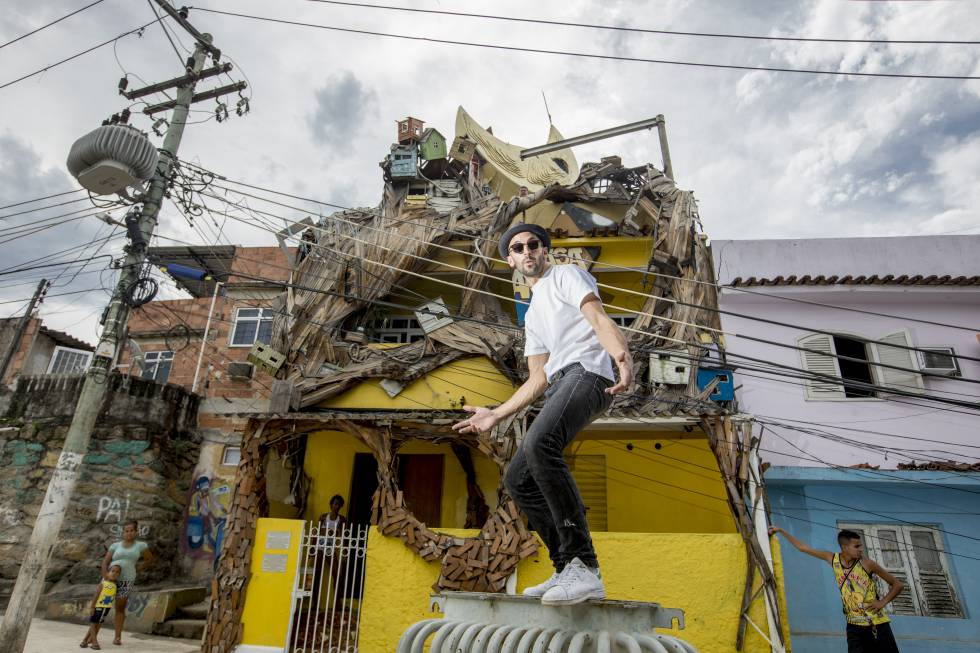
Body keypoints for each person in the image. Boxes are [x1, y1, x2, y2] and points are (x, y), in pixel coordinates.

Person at [453, 223, 633, 606]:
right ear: (511, 260)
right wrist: (496, 414)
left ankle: (584, 565)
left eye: (534, 244)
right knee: (519, 478)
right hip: (562, 381)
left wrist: (620, 353)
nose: (527, 251)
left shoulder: (567, 275)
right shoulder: (533, 315)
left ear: (545, 250)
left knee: (540, 447)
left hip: (588, 373)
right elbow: (538, 379)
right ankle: (567, 567)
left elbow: (598, 317)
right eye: (518, 248)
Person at [769, 526, 905, 652]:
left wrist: (882, 602)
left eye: (860, 546)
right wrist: (781, 530)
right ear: (844, 547)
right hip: (854, 627)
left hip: (877, 625)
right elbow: (803, 548)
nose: (860, 549)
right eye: (856, 546)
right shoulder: (832, 559)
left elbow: (897, 585)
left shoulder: (867, 564)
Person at [101, 519, 152, 646]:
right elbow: (105, 563)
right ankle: (91, 636)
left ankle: (117, 637)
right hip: (110, 580)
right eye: (126, 531)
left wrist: (138, 568)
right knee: (101, 607)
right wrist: (106, 576)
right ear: (123, 532)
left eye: (131, 531)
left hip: (126, 581)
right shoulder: (115, 545)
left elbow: (149, 559)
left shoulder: (141, 545)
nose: (129, 533)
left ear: (136, 532)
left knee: (120, 608)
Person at [80, 564, 121, 650]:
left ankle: (84, 641)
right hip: (98, 607)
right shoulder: (103, 584)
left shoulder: (115, 586)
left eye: (117, 572)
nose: (114, 573)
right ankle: (94, 642)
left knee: (97, 624)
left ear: (119, 575)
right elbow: (96, 596)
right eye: (112, 571)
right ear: (107, 573)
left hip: (106, 608)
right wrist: (92, 607)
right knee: (93, 623)